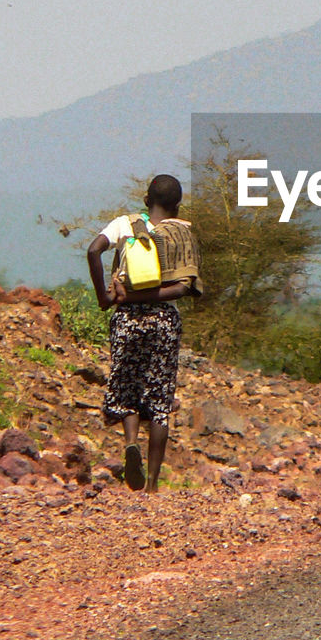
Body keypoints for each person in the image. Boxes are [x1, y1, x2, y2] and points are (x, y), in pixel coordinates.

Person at [87, 175, 202, 493]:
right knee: (160, 401)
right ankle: (152, 483)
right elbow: (183, 287)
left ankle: (130, 443)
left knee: (127, 388)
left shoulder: (125, 224)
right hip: (164, 322)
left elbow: (93, 251)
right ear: (178, 205)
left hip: (127, 319)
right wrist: (148, 298)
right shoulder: (182, 233)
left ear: (145, 197)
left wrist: (105, 298)